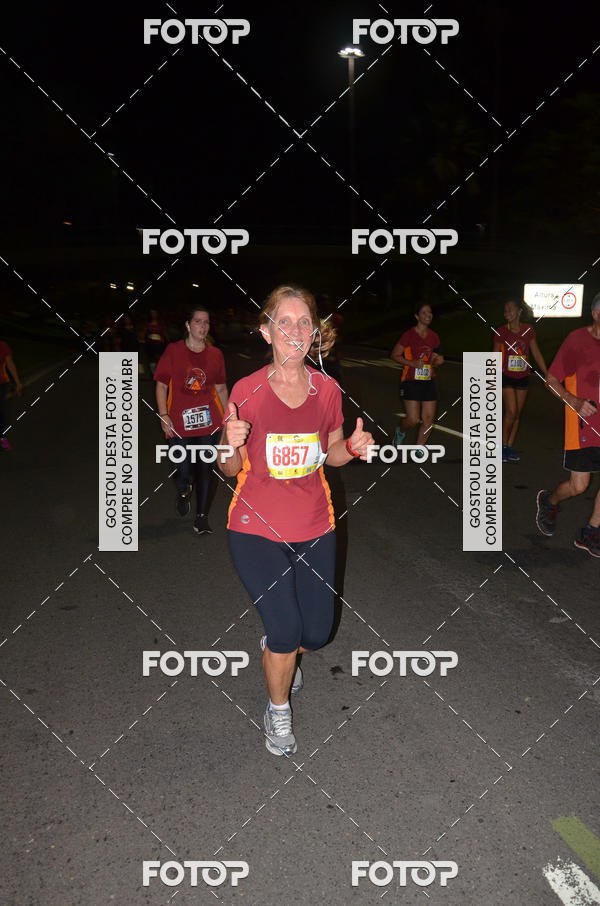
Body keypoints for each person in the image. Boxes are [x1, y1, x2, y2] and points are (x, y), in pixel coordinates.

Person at [219, 285, 374, 757]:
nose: (295, 330)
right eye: (283, 322)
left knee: (316, 633)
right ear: (266, 331)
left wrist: (352, 449)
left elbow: (330, 452)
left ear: (316, 333)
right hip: (255, 527)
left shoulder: (327, 390)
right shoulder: (247, 391)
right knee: (286, 631)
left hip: (314, 524)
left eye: (304, 321)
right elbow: (229, 467)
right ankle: (277, 706)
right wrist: (228, 439)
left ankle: (281, 652)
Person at [536, 292, 600, 557]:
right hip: (582, 425)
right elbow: (551, 379)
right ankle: (549, 501)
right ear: (596, 314)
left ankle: (590, 532)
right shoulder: (577, 340)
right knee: (579, 487)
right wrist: (572, 400)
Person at [154, 306, 228, 534]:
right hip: (178, 423)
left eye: (206, 322)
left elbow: (222, 388)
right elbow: (161, 384)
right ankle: (184, 490)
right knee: (182, 468)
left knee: (206, 469)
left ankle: (202, 517)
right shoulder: (173, 351)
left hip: (209, 422)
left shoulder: (215, 354)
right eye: (198, 322)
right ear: (188, 325)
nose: (203, 326)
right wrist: (163, 414)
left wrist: (229, 419)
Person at [493, 299, 547, 462]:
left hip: (523, 377)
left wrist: (546, 373)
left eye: (510, 309)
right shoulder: (501, 331)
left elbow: (535, 352)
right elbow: (495, 356)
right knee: (510, 411)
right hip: (506, 376)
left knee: (517, 414)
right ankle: (502, 447)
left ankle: (508, 448)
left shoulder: (528, 330)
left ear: (519, 311)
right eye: (505, 310)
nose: (506, 313)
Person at [390, 302, 444, 445]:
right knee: (413, 419)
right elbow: (395, 355)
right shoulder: (408, 335)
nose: (428, 315)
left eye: (430, 312)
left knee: (428, 419)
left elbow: (434, 358)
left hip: (429, 381)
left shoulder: (434, 337)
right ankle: (400, 431)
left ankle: (419, 448)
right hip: (410, 380)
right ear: (417, 316)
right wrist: (412, 363)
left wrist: (439, 360)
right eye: (424, 312)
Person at [0, 340, 22, 451]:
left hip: (2, 383)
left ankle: (2, 438)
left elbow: (9, 363)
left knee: (1, 411)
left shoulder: (2, 346)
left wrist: (17, 382)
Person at [143, 309, 167, 375]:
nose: (153, 314)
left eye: (154, 313)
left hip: (159, 344)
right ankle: (153, 374)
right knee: (152, 359)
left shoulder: (161, 324)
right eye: (152, 313)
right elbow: (144, 334)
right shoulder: (147, 324)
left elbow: (164, 333)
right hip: (150, 344)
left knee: (159, 359)